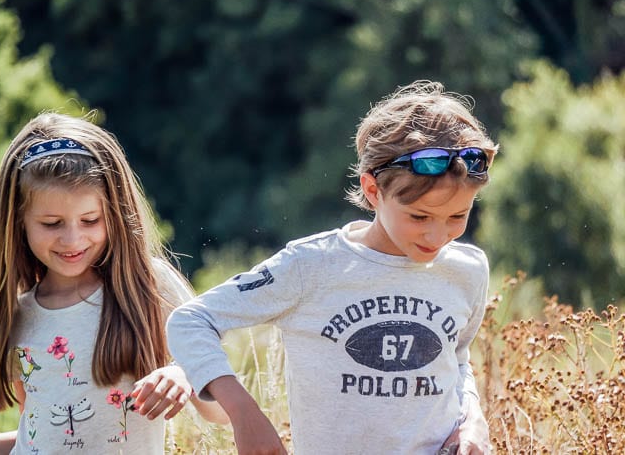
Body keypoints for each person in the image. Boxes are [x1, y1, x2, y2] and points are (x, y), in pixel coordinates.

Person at [167, 80, 497, 455]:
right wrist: (243, 412)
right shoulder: (312, 266)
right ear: (373, 191)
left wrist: (472, 419)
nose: (438, 235)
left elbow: (455, 358)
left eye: (458, 215)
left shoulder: (468, 270)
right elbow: (190, 321)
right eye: (419, 216)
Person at [0, 112, 227, 454]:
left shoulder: (150, 287)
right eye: (52, 223)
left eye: (90, 219)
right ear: (19, 223)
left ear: (115, 213)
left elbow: (223, 413)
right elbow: (40, 438)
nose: (72, 239)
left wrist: (183, 375)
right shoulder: (19, 315)